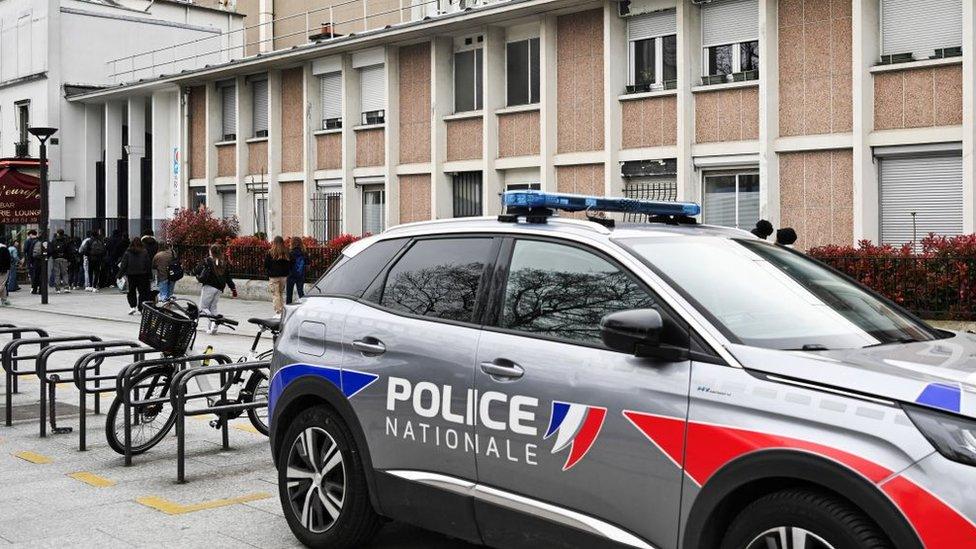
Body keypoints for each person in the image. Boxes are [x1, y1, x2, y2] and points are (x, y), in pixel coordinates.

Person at [194, 244, 237, 334]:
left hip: (209, 286)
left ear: (211, 251)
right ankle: (213, 328)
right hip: (219, 288)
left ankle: (214, 322)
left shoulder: (208, 261)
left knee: (203, 308)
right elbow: (228, 277)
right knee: (213, 308)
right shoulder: (222, 262)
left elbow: (197, 270)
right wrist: (233, 289)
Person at [118, 237, 152, 315]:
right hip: (142, 275)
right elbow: (148, 264)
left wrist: (119, 275)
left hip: (131, 275)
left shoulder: (128, 252)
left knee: (131, 291)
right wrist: (150, 276)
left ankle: (132, 306)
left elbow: (123, 265)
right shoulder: (144, 252)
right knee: (142, 292)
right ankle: (141, 307)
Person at [265, 236, 291, 316]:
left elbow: (266, 265)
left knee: (276, 294)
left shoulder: (270, 252)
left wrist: (269, 272)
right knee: (280, 293)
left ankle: (279, 311)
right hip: (283, 276)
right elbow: (289, 264)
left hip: (274, 276)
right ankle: (282, 310)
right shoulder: (286, 252)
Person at [286, 237, 308, 305]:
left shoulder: (290, 253)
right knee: (300, 292)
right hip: (300, 275)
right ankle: (304, 306)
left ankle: (288, 306)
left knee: (289, 294)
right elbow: (307, 264)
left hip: (291, 275)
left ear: (292, 243)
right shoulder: (304, 253)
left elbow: (287, 265)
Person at [49, 229, 71, 294]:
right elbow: (69, 250)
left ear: (58, 233)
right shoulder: (66, 240)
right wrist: (68, 259)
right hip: (64, 258)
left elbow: (51, 249)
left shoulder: (54, 240)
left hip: (56, 258)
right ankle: (66, 288)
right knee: (65, 273)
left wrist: (53, 256)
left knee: (57, 274)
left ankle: (57, 289)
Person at [24, 230, 39, 295]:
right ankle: (38, 286)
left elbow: (25, 250)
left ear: (30, 234)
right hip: (39, 260)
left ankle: (33, 287)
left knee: (32, 274)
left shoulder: (28, 241)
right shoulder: (39, 240)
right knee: (38, 273)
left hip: (31, 260)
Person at [0, 236, 11, 306]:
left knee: (2, 285)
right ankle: (4, 300)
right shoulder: (4, 249)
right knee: (2, 284)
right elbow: (8, 260)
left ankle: (4, 300)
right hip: (3, 270)